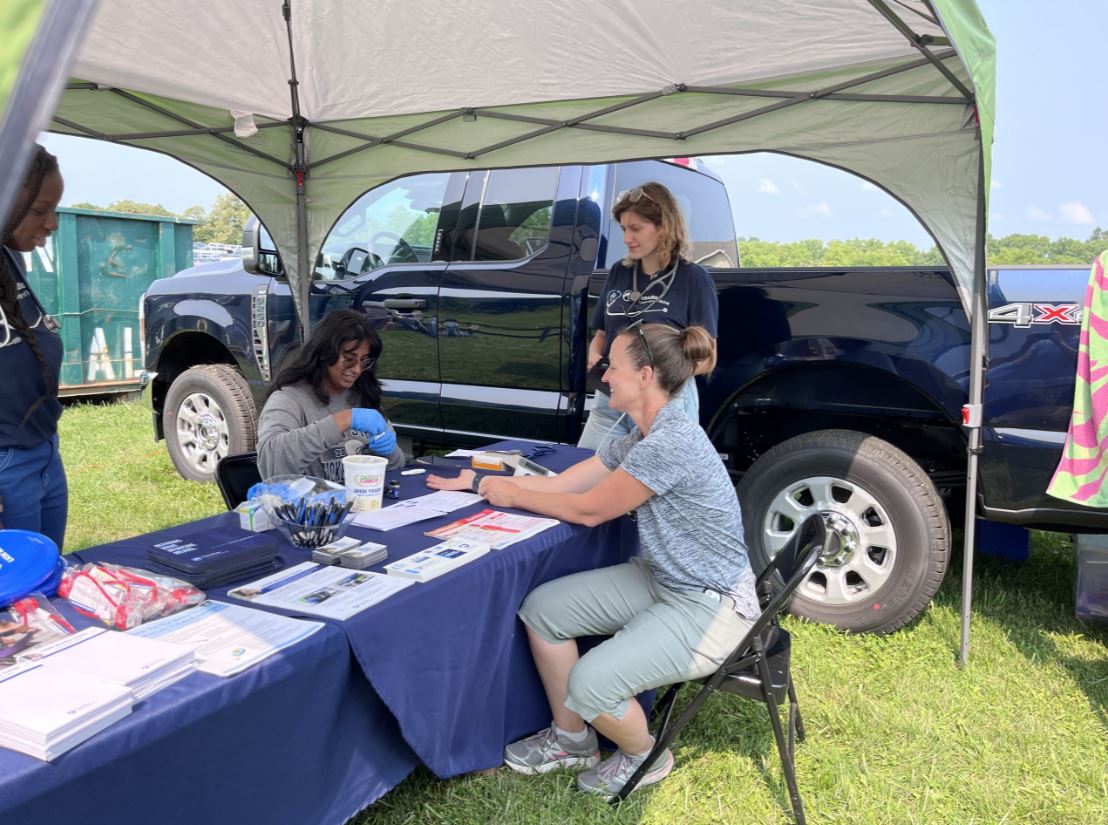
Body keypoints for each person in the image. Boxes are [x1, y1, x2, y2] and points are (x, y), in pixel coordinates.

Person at [428, 323, 758, 798]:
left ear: (645, 376)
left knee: (590, 686)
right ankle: (572, 740)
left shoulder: (668, 443)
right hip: (666, 580)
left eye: (613, 368)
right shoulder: (641, 432)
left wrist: (515, 494)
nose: (604, 377)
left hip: (711, 606)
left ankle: (646, 755)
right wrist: (483, 484)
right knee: (543, 610)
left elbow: (589, 510)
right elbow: (572, 482)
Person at [577, 181, 719, 452]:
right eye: (623, 229)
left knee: (652, 485)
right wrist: (594, 354)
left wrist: (658, 380)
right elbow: (601, 335)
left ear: (663, 227)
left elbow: (708, 357)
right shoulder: (618, 272)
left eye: (636, 229)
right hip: (610, 397)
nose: (627, 238)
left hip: (665, 401)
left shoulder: (693, 278)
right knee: (585, 470)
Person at [0, 144, 67, 549]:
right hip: (6, 463)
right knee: (12, 596)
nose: (53, 223)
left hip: (41, 451)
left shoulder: (10, 261)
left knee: (45, 582)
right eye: (40, 210)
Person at [256, 309, 404, 481]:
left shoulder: (363, 394)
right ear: (325, 353)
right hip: (315, 504)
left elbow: (398, 467)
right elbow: (271, 465)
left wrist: (390, 452)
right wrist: (342, 420)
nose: (357, 369)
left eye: (364, 361)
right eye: (349, 358)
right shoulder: (288, 399)